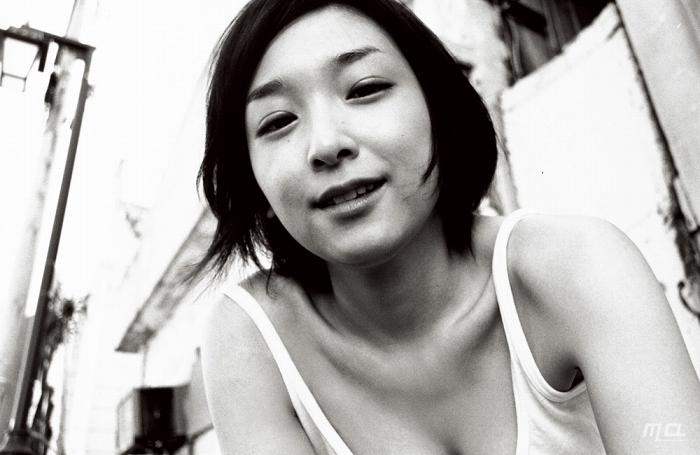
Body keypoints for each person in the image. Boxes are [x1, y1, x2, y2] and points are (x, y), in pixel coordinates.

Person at [195, 0, 700, 453]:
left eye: (365, 89)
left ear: (440, 110)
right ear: (252, 180)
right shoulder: (253, 340)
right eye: (278, 121)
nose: (326, 144)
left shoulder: (578, 266)